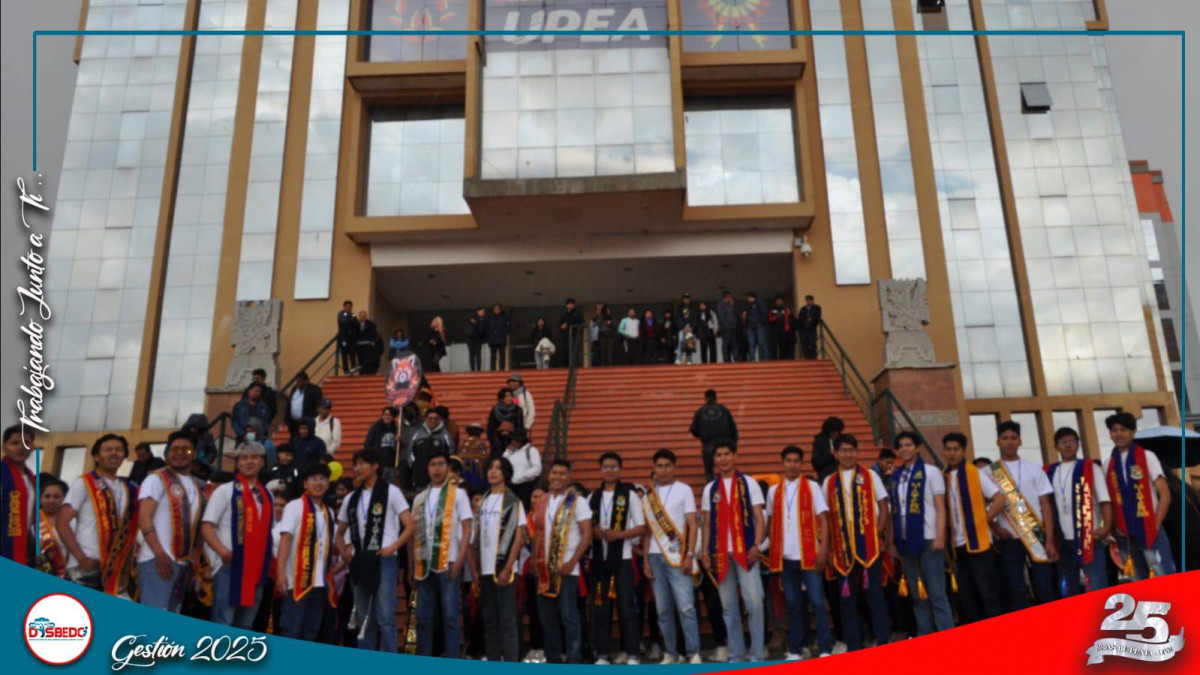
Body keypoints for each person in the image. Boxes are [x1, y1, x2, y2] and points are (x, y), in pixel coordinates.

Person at [336, 449, 415, 652]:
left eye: (362, 464)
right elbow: (339, 532)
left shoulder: (391, 491)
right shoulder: (351, 498)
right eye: (355, 464)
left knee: (385, 617)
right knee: (364, 619)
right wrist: (345, 555)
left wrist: (393, 547)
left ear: (375, 466)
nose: (357, 468)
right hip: (359, 562)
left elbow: (410, 525)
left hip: (384, 560)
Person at [699, 440, 766, 663]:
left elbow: (759, 518)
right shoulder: (710, 488)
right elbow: (707, 524)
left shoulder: (749, 483)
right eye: (719, 454)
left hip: (746, 552)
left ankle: (756, 655)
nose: (723, 458)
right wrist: (705, 553)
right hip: (720, 553)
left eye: (727, 453)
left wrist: (757, 544)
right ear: (715, 459)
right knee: (728, 607)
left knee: (754, 602)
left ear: (735, 456)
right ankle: (736, 655)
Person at [822, 434, 890, 651]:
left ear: (857, 451)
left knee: (875, 596)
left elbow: (884, 507)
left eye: (852, 450)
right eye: (843, 450)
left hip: (869, 548)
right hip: (842, 551)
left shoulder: (870, 476)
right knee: (847, 601)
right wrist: (830, 547)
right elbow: (825, 517)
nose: (848, 454)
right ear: (835, 453)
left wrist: (878, 534)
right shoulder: (828, 481)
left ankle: (882, 640)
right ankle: (854, 644)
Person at [765, 446, 833, 660]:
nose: (792, 464)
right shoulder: (773, 491)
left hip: (810, 555)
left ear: (801, 464)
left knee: (818, 602)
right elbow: (770, 523)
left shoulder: (812, 487)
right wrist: (764, 546)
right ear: (782, 463)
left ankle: (824, 648)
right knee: (793, 605)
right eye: (789, 460)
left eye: (796, 461)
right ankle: (796, 648)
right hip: (785, 558)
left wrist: (823, 549)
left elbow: (823, 518)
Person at [986, 420, 1058, 610]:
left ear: (1020, 441)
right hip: (1009, 538)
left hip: (1037, 536)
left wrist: (1050, 540)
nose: (1009, 442)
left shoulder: (1034, 468)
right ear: (998, 442)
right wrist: (995, 527)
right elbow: (983, 508)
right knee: (1016, 590)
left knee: (1044, 587)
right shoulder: (990, 472)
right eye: (1004, 438)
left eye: (1013, 438)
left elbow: (1046, 506)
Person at [200, 441, 273, 628]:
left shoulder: (267, 495)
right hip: (230, 566)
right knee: (223, 622)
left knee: (245, 625)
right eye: (244, 458)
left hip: (256, 568)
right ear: (237, 463)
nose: (249, 462)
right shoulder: (225, 491)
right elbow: (207, 526)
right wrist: (223, 552)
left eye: (254, 457)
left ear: (262, 461)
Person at [888, 431, 952, 635]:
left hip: (929, 538)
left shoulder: (931, 472)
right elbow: (894, 511)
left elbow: (940, 506)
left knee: (936, 594)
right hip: (905, 541)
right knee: (917, 595)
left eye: (909, 445)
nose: (905, 449)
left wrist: (941, 535)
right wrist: (891, 540)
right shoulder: (895, 476)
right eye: (901, 446)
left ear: (917, 448)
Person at [411, 451, 474, 657]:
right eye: (432, 464)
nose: (436, 469)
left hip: (449, 560)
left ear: (448, 467)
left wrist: (460, 561)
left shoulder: (459, 494)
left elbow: (467, 529)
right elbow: (413, 533)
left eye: (440, 464)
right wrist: (412, 564)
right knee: (423, 618)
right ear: (427, 468)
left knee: (450, 617)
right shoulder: (419, 498)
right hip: (424, 564)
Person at [58, 434, 137, 595]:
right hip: (86, 565)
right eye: (108, 450)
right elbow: (62, 521)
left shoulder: (129, 488)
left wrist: (126, 568)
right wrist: (80, 557)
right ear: (96, 456)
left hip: (114, 569)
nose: (114, 453)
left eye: (118, 450)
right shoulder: (85, 482)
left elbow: (130, 531)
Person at [137, 430, 204, 613]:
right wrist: (159, 553)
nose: (180, 454)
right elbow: (144, 518)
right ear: (167, 453)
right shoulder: (156, 479)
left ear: (195, 454)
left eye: (186, 450)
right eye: (175, 450)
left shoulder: (197, 485)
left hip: (183, 563)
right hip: (157, 560)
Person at [532, 459, 593, 664]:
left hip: (567, 568)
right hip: (544, 569)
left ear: (569, 477)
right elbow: (538, 534)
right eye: (554, 473)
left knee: (569, 618)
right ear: (549, 476)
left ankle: (574, 660)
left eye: (562, 474)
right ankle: (553, 659)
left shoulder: (578, 502)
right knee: (547, 620)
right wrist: (534, 559)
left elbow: (586, 535)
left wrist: (573, 561)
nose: (557, 477)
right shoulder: (543, 501)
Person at [588, 452, 646, 665]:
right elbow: (585, 527)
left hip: (622, 558)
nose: (610, 470)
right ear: (600, 470)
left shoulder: (629, 495)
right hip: (598, 558)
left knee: (626, 607)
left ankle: (632, 653)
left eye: (614, 467)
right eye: (606, 467)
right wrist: (593, 533)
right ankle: (603, 654)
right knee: (601, 607)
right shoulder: (592, 497)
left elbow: (641, 526)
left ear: (620, 470)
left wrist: (618, 535)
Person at [941, 432, 1004, 624]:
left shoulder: (973, 472)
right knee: (966, 595)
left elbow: (999, 498)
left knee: (987, 591)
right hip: (956, 544)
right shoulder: (943, 476)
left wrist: (984, 520)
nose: (952, 454)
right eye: (949, 449)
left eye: (956, 449)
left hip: (979, 543)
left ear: (963, 451)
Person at [1104, 412, 1175, 579]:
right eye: (1114, 430)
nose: (1119, 434)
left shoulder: (1147, 456)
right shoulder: (1108, 463)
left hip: (1149, 528)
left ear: (1132, 432)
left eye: (1124, 429)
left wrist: (1155, 524)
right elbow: (1109, 501)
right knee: (1137, 579)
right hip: (1124, 532)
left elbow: (1165, 494)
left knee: (1162, 573)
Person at [1045, 427, 1112, 595]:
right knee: (1068, 586)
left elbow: (1104, 499)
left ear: (1078, 445)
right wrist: (1050, 539)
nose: (1068, 446)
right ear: (1056, 446)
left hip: (1089, 536)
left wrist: (1106, 527)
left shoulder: (1089, 467)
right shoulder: (1049, 471)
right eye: (1063, 442)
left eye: (1072, 442)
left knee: (1096, 583)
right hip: (1062, 539)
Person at [275, 462, 338, 640]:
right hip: (297, 581)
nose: (318, 483)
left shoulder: (329, 512)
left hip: (320, 583)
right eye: (314, 479)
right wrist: (280, 573)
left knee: (310, 633)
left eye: (323, 479)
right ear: (305, 484)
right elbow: (285, 540)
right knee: (291, 631)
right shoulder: (295, 506)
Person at [472, 457, 526, 661]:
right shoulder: (483, 501)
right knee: (490, 620)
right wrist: (474, 567)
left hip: (504, 568)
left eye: (498, 468)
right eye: (490, 468)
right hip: (484, 569)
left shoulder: (513, 501)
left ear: (506, 473)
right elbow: (475, 537)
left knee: (507, 620)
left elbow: (519, 537)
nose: (493, 472)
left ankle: (511, 660)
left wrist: (509, 566)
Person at [2, 425, 37, 566]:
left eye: (26, 443)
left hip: (23, 550)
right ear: (4, 446)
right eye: (15, 443)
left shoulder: (32, 479)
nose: (21, 448)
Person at [689, 389, 738, 483]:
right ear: (716, 398)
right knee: (726, 468)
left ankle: (710, 489)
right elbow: (733, 429)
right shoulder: (724, 410)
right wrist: (733, 445)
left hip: (707, 445)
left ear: (705, 398)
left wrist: (702, 434)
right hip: (724, 444)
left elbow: (694, 431)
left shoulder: (700, 411)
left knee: (709, 471)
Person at [405, 406, 455, 493]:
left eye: (435, 419)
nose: (433, 421)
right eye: (430, 418)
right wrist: (415, 464)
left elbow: (450, 453)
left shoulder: (445, 435)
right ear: (426, 419)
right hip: (421, 477)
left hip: (438, 477)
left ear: (439, 420)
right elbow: (410, 451)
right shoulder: (417, 434)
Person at [35, 477, 70, 578]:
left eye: (56, 497)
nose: (51, 500)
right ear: (40, 498)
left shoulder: (72, 522)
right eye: (47, 496)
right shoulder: (30, 521)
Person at [503, 429, 542, 508]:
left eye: (514, 440)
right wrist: (508, 452)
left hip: (526, 486)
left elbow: (537, 468)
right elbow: (503, 463)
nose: (512, 442)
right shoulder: (512, 452)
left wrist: (523, 476)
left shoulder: (531, 450)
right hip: (511, 486)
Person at [363, 406, 400, 477]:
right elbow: (368, 442)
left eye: (389, 415)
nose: (387, 417)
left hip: (391, 463)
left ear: (393, 417)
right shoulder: (376, 427)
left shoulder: (397, 428)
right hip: (378, 463)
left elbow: (399, 448)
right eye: (385, 414)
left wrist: (399, 441)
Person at [487, 387, 525, 453]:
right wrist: (494, 442)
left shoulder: (517, 410)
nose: (509, 398)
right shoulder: (495, 410)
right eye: (507, 396)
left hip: (513, 442)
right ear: (501, 398)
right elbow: (490, 428)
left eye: (511, 396)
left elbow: (520, 427)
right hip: (498, 441)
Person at [286, 372, 323, 439]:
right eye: (298, 381)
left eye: (301, 381)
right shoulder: (294, 389)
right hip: (294, 423)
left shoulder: (314, 390)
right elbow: (289, 404)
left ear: (306, 381)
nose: (299, 384)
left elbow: (318, 405)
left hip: (307, 423)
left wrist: (312, 420)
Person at [810, 416, 844, 483]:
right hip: (826, 478)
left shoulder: (843, 440)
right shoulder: (819, 442)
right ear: (828, 431)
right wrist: (829, 455)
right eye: (834, 431)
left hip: (842, 476)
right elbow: (816, 463)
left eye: (838, 431)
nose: (836, 434)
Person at [556, 298, 584, 368]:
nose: (570, 306)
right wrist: (561, 326)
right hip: (565, 336)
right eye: (568, 304)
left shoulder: (577, 313)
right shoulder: (564, 313)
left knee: (573, 352)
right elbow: (559, 323)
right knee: (564, 351)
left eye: (571, 304)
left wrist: (567, 324)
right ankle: (565, 365)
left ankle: (573, 366)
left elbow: (579, 322)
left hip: (574, 336)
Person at [354, 311, 383, 375]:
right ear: (359, 316)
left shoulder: (370, 325)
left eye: (364, 316)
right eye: (361, 316)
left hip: (367, 346)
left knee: (366, 360)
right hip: (358, 345)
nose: (362, 317)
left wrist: (371, 341)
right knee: (360, 360)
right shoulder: (356, 324)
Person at [745, 291, 769, 362]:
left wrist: (760, 322)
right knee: (751, 343)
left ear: (751, 297)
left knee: (761, 342)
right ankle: (752, 359)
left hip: (758, 325)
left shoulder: (759, 302)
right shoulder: (748, 305)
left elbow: (764, 312)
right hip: (750, 326)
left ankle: (765, 358)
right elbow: (748, 316)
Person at [767, 295, 793, 360]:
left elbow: (788, 319)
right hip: (774, 329)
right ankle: (774, 359)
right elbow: (769, 319)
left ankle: (783, 359)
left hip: (783, 329)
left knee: (783, 345)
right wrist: (776, 317)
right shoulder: (772, 309)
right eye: (777, 300)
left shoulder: (785, 309)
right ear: (775, 301)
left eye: (780, 300)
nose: (779, 302)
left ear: (782, 301)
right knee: (774, 345)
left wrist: (787, 327)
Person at [796, 295, 822, 360]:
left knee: (812, 344)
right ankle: (807, 358)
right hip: (803, 330)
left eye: (810, 300)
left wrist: (812, 319)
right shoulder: (803, 309)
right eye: (807, 300)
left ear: (812, 300)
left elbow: (817, 317)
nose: (808, 302)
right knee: (804, 344)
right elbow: (800, 319)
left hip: (812, 329)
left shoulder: (816, 308)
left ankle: (813, 358)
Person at [487, 304, 512, 371]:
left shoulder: (505, 317)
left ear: (500, 309)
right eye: (495, 308)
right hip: (492, 339)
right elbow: (486, 328)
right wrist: (489, 334)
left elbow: (509, 327)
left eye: (498, 308)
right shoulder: (490, 317)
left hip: (501, 339)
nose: (496, 310)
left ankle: (502, 369)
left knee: (502, 355)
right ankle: (492, 369)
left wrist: (504, 333)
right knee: (493, 356)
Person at [717, 291, 739, 363]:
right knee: (726, 344)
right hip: (726, 328)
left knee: (734, 344)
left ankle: (736, 358)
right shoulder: (721, 304)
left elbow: (734, 315)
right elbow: (721, 316)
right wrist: (727, 325)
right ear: (727, 297)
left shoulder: (730, 304)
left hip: (732, 327)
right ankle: (726, 360)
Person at [337, 300, 359, 374]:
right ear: (344, 307)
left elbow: (356, 324)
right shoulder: (341, 314)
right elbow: (344, 322)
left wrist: (352, 320)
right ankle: (346, 369)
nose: (349, 308)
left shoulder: (352, 315)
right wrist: (351, 320)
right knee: (344, 354)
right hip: (344, 338)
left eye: (350, 307)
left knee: (352, 352)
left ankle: (353, 365)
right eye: (347, 306)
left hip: (352, 338)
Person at [467, 307, 488, 372]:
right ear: (478, 311)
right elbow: (464, 318)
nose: (483, 313)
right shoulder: (473, 317)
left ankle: (479, 369)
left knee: (478, 354)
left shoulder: (484, 320)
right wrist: (470, 319)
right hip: (471, 339)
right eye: (482, 311)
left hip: (479, 339)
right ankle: (472, 369)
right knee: (472, 354)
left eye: (484, 312)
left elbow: (485, 330)